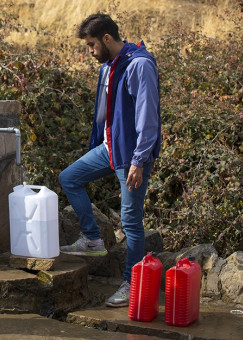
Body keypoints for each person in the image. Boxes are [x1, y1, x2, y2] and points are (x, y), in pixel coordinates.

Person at [58, 13, 161, 308]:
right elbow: (106, 114)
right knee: (69, 178)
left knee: (130, 221)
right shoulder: (109, 67)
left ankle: (132, 282)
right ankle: (92, 239)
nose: (89, 51)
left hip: (132, 156)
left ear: (106, 39)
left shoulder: (139, 65)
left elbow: (147, 118)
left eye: (91, 45)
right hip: (109, 149)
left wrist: (139, 161)